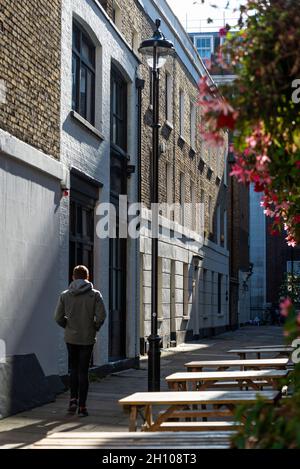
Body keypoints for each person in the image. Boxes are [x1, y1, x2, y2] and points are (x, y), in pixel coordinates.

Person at [54, 265, 106, 417]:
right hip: (87, 338)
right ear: (88, 277)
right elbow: (102, 315)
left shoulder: (65, 295)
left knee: (73, 369)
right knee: (83, 371)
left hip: (71, 337)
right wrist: (94, 327)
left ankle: (72, 400)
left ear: (73, 277)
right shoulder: (95, 295)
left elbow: (57, 317)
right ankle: (82, 406)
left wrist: (67, 326)